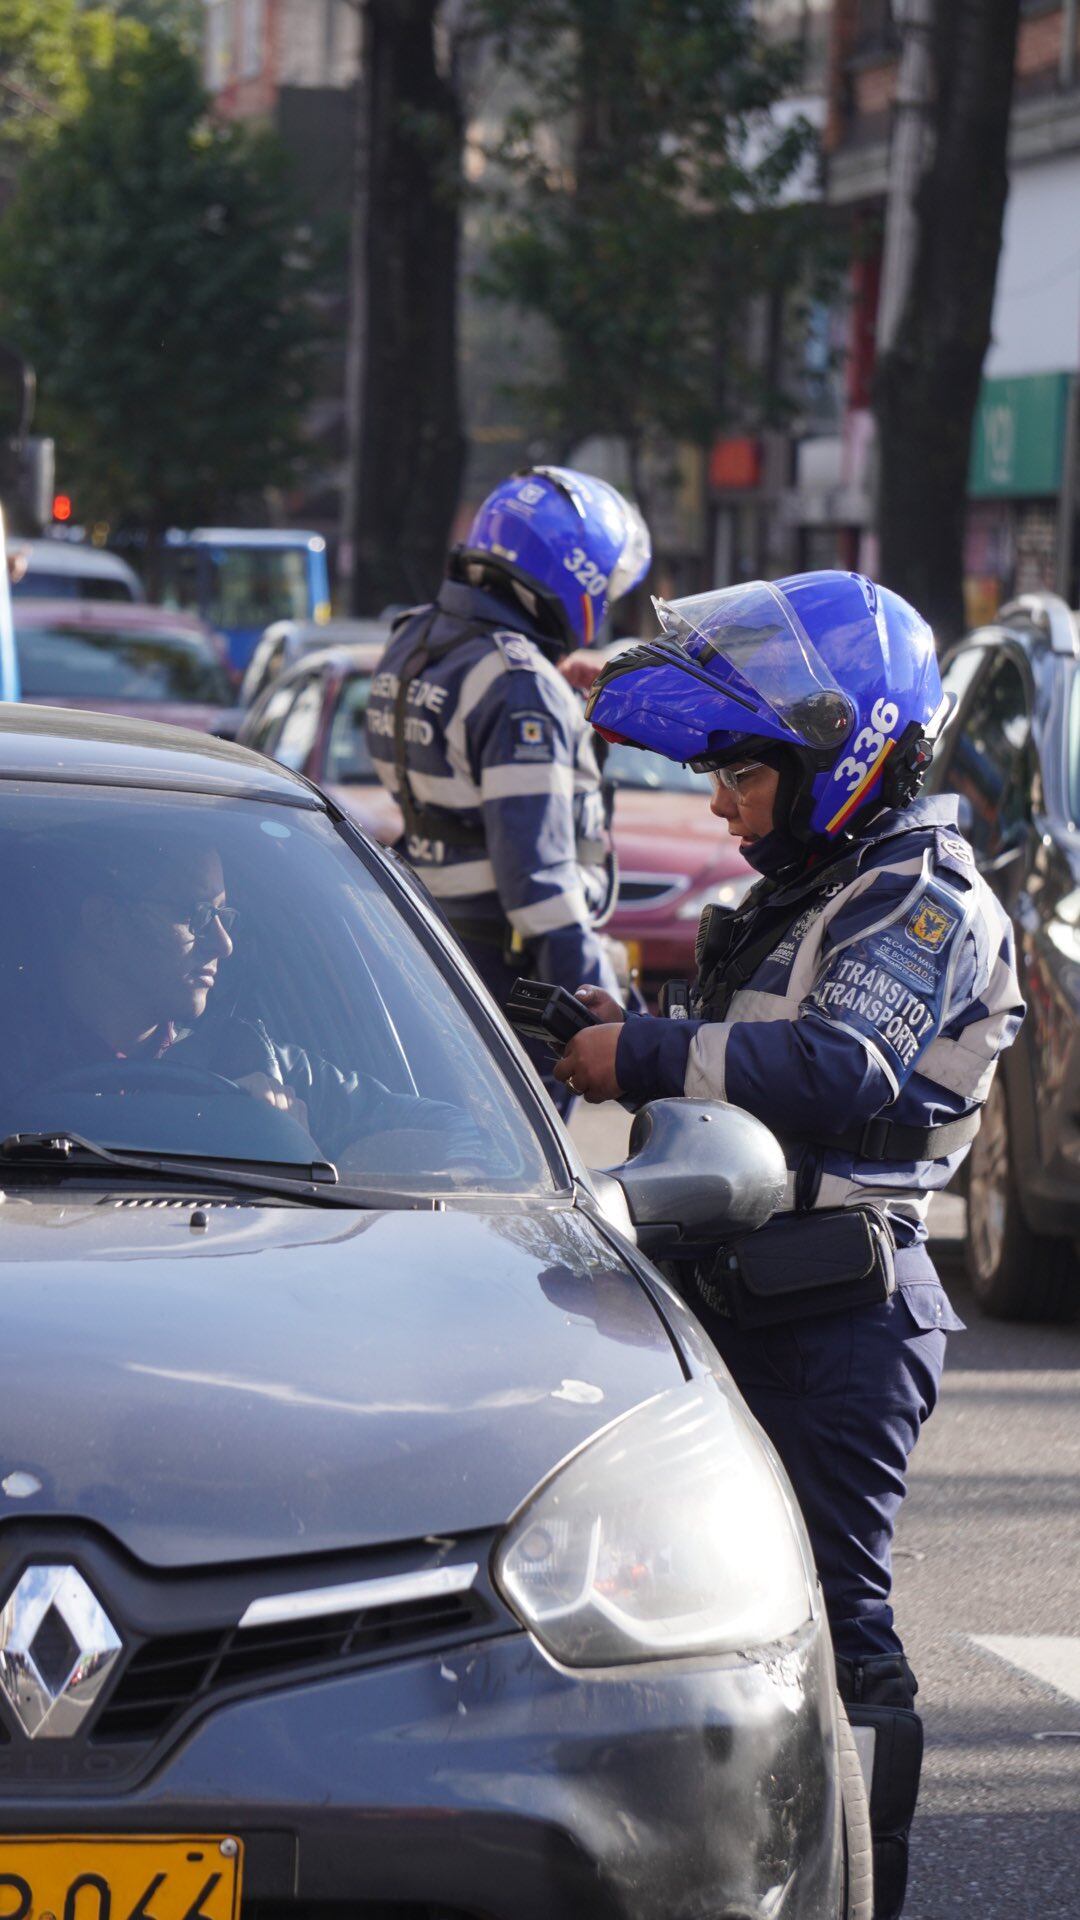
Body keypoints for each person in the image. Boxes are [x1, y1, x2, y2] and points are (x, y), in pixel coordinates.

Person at [554, 570, 1024, 1920]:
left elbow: (833, 1068)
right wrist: (605, 1022)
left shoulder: (920, 895)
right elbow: (738, 1057)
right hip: (743, 1295)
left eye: (745, 777)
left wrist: (635, 1049)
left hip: (843, 1313)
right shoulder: (826, 884)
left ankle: (862, 1894)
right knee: (708, 1615)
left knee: (833, 1628)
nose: (722, 804)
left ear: (842, 756)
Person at [364, 466, 651, 1100]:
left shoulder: (416, 638)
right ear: (578, 577)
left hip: (434, 942)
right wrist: (586, 1008)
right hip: (513, 976)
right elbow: (539, 882)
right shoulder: (519, 683)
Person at [4, 831, 483, 1174]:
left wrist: (300, 1150)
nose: (223, 944)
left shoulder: (262, 1066)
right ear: (105, 921)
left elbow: (474, 1140)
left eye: (223, 916)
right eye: (195, 915)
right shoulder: (13, 1062)